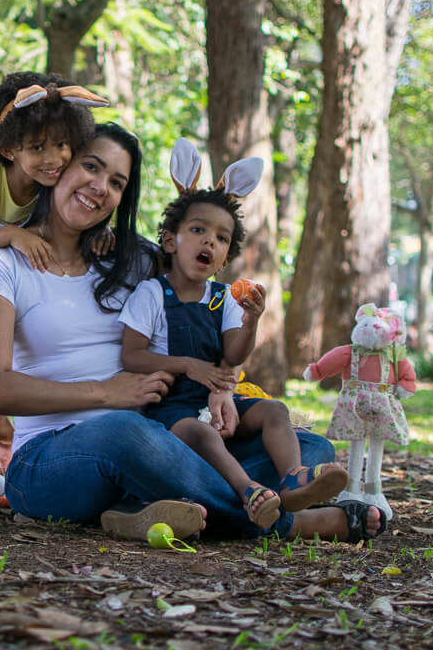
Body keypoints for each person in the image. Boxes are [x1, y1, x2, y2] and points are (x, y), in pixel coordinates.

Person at [0, 122, 385, 543]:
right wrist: (108, 394)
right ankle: (292, 522)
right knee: (124, 432)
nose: (99, 187)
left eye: (116, 182)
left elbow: (200, 298)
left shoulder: (134, 259)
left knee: (311, 448)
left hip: (160, 441)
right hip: (50, 460)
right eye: (90, 167)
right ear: (58, 166)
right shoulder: (1, 265)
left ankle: (135, 512)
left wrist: (221, 384)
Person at [119, 187, 348, 529]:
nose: (209, 242)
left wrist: (252, 320)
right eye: (198, 230)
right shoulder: (152, 293)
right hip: (173, 411)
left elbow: (233, 353)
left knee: (275, 410)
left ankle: (293, 478)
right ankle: (250, 491)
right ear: (170, 241)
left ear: (225, 259)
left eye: (221, 238)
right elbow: (131, 355)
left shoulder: (222, 297)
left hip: (218, 405)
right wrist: (188, 365)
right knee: (203, 434)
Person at [0, 71, 109, 509]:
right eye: (37, 148)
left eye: (62, 145)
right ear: (9, 147)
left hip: (14, 264)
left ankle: (5, 455)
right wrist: (10, 234)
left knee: (13, 358)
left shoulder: (54, 181)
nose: (54, 158)